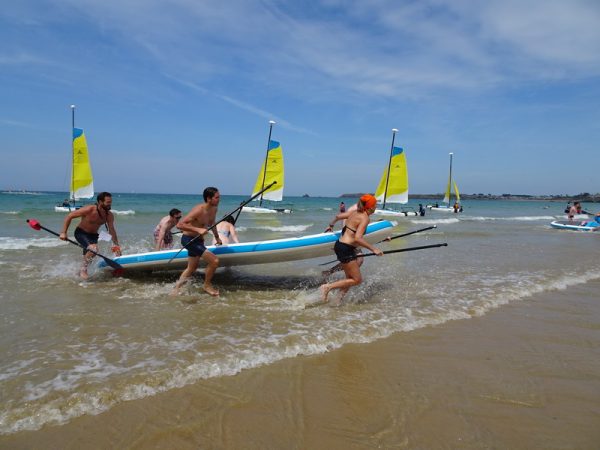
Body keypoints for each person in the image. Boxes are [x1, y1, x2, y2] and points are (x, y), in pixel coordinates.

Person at [319, 194, 383, 306]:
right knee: (357, 280)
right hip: (345, 248)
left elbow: (339, 216)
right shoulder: (365, 218)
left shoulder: (355, 213)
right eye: (375, 205)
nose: (376, 207)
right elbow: (358, 238)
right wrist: (374, 249)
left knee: (349, 278)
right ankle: (327, 287)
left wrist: (331, 225)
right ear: (370, 207)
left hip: (340, 245)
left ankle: (337, 300)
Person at [172, 187, 222, 297]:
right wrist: (198, 230)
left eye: (219, 197)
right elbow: (179, 225)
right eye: (217, 197)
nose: (219, 199)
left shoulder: (214, 209)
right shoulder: (199, 210)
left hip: (198, 240)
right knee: (214, 261)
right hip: (188, 240)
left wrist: (217, 237)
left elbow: (212, 223)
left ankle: (176, 289)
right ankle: (207, 285)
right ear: (209, 198)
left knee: (192, 268)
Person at [59, 191, 121, 279]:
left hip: (93, 236)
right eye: (107, 202)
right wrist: (63, 232)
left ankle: (78, 274)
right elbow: (70, 216)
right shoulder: (89, 209)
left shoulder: (109, 215)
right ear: (100, 202)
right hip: (81, 233)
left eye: (110, 202)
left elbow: (112, 230)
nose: (109, 204)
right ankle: (83, 270)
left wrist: (116, 246)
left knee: (89, 256)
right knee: (94, 249)